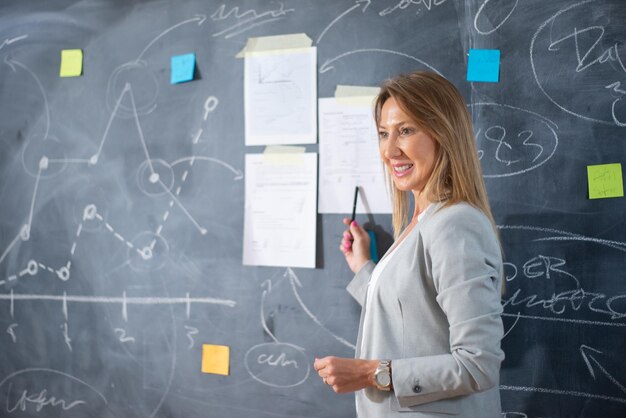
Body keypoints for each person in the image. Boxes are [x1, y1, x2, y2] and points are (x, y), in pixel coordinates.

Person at [314, 71, 505, 417]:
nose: (389, 150)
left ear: (443, 132)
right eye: (384, 134)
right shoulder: (422, 221)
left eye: (405, 130)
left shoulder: (455, 224)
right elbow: (412, 311)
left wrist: (370, 373)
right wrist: (364, 270)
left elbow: (479, 364)